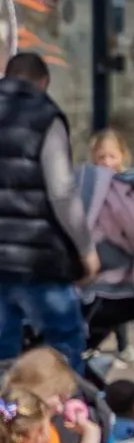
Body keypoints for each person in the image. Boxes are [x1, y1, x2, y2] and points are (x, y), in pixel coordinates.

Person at [0, 50, 95, 373]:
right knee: (63, 346)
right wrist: (86, 250)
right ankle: (65, 419)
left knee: (2, 356)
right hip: (39, 260)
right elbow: (62, 192)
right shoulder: (46, 114)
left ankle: (7, 418)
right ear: (44, 82)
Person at [78, 129, 134, 356]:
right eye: (101, 157)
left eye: (111, 156)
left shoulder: (131, 186)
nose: (107, 162)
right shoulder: (93, 185)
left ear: (122, 156)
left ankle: (123, 346)